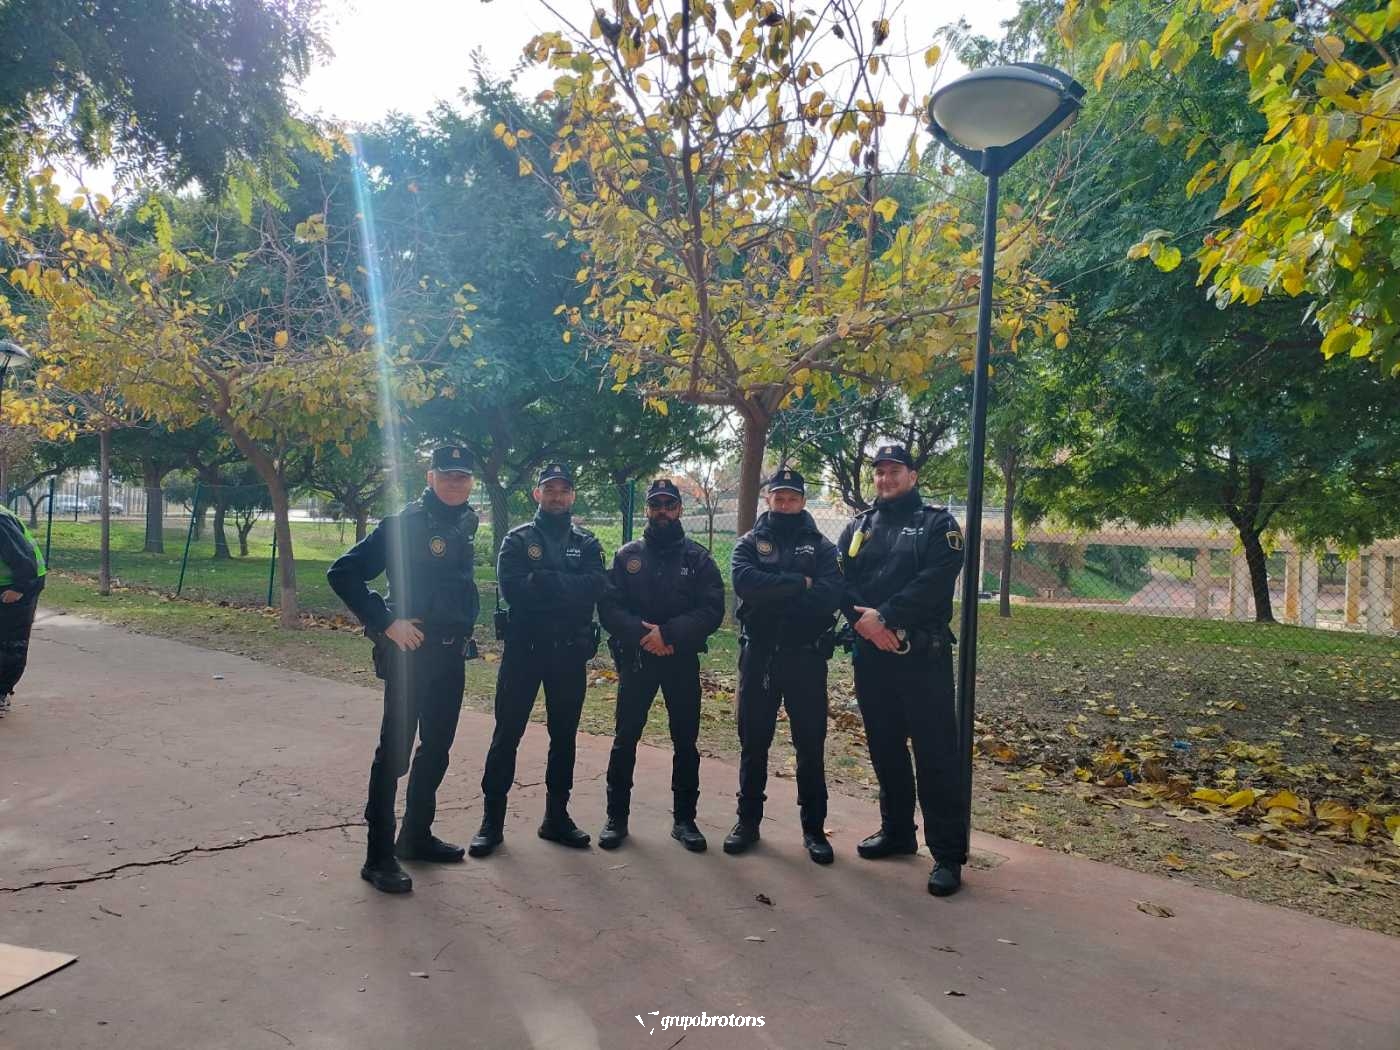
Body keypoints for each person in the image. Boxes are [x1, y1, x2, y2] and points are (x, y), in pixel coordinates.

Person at [327, 446, 481, 894]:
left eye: (463, 477)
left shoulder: (464, 522)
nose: (455, 483)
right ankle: (378, 857)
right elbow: (344, 573)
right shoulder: (404, 524)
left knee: (436, 748)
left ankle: (415, 835)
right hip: (412, 654)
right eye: (447, 475)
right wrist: (386, 621)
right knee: (394, 754)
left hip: (451, 655)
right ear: (430, 477)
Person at [837, 444, 967, 897]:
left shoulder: (938, 525)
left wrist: (886, 617)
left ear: (913, 476)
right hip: (872, 655)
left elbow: (934, 582)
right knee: (885, 747)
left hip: (922, 658)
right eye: (880, 472)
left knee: (935, 754)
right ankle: (897, 832)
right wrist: (867, 625)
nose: (885, 478)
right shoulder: (860, 526)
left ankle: (947, 854)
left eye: (894, 471)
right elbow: (842, 581)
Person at [470, 463, 607, 857]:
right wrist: (569, 587)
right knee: (507, 734)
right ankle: (491, 823)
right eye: (550, 489)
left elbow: (597, 586)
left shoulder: (587, 541)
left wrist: (547, 580)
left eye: (563, 490)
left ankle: (556, 818)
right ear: (537, 494)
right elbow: (515, 591)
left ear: (572, 495)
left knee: (564, 738)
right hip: (524, 651)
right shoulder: (518, 540)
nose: (557, 496)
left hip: (569, 653)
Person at [597, 478, 724, 852]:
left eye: (669, 505)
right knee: (625, 738)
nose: (663, 511)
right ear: (647, 510)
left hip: (680, 658)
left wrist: (668, 634)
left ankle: (685, 820)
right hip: (637, 657)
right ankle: (616, 818)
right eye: (656, 505)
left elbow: (712, 609)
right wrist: (644, 635)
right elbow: (609, 607)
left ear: (680, 509)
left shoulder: (698, 558)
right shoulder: (627, 556)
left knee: (685, 740)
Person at [724, 468, 844, 864]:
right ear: (768, 499)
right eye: (779, 497)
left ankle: (814, 830)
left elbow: (828, 596)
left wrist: (774, 589)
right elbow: (746, 584)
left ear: (803, 502)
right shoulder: (748, 543)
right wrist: (799, 583)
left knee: (810, 744)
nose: (785, 503)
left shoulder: (823, 548)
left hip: (805, 657)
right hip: (759, 655)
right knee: (753, 742)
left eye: (792, 498)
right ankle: (747, 823)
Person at [0, 503, 47, 715]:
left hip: (20, 584)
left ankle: (1, 692)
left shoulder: (1, 521)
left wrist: (19, 589)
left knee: (9, 642)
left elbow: (24, 559)